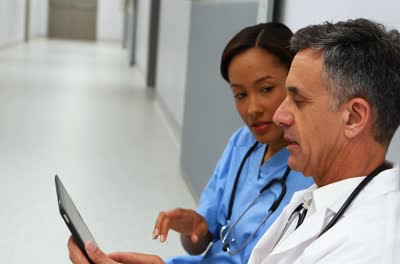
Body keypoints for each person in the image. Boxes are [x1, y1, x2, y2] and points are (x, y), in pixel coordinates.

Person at [68, 22, 313, 264]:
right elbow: (200, 241)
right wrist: (193, 228)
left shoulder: (314, 170)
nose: (252, 109)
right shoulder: (242, 143)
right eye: (240, 94)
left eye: (267, 89)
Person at [247, 18, 400, 263]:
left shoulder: (372, 252)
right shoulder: (318, 199)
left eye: (298, 101)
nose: (279, 116)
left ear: (353, 118)